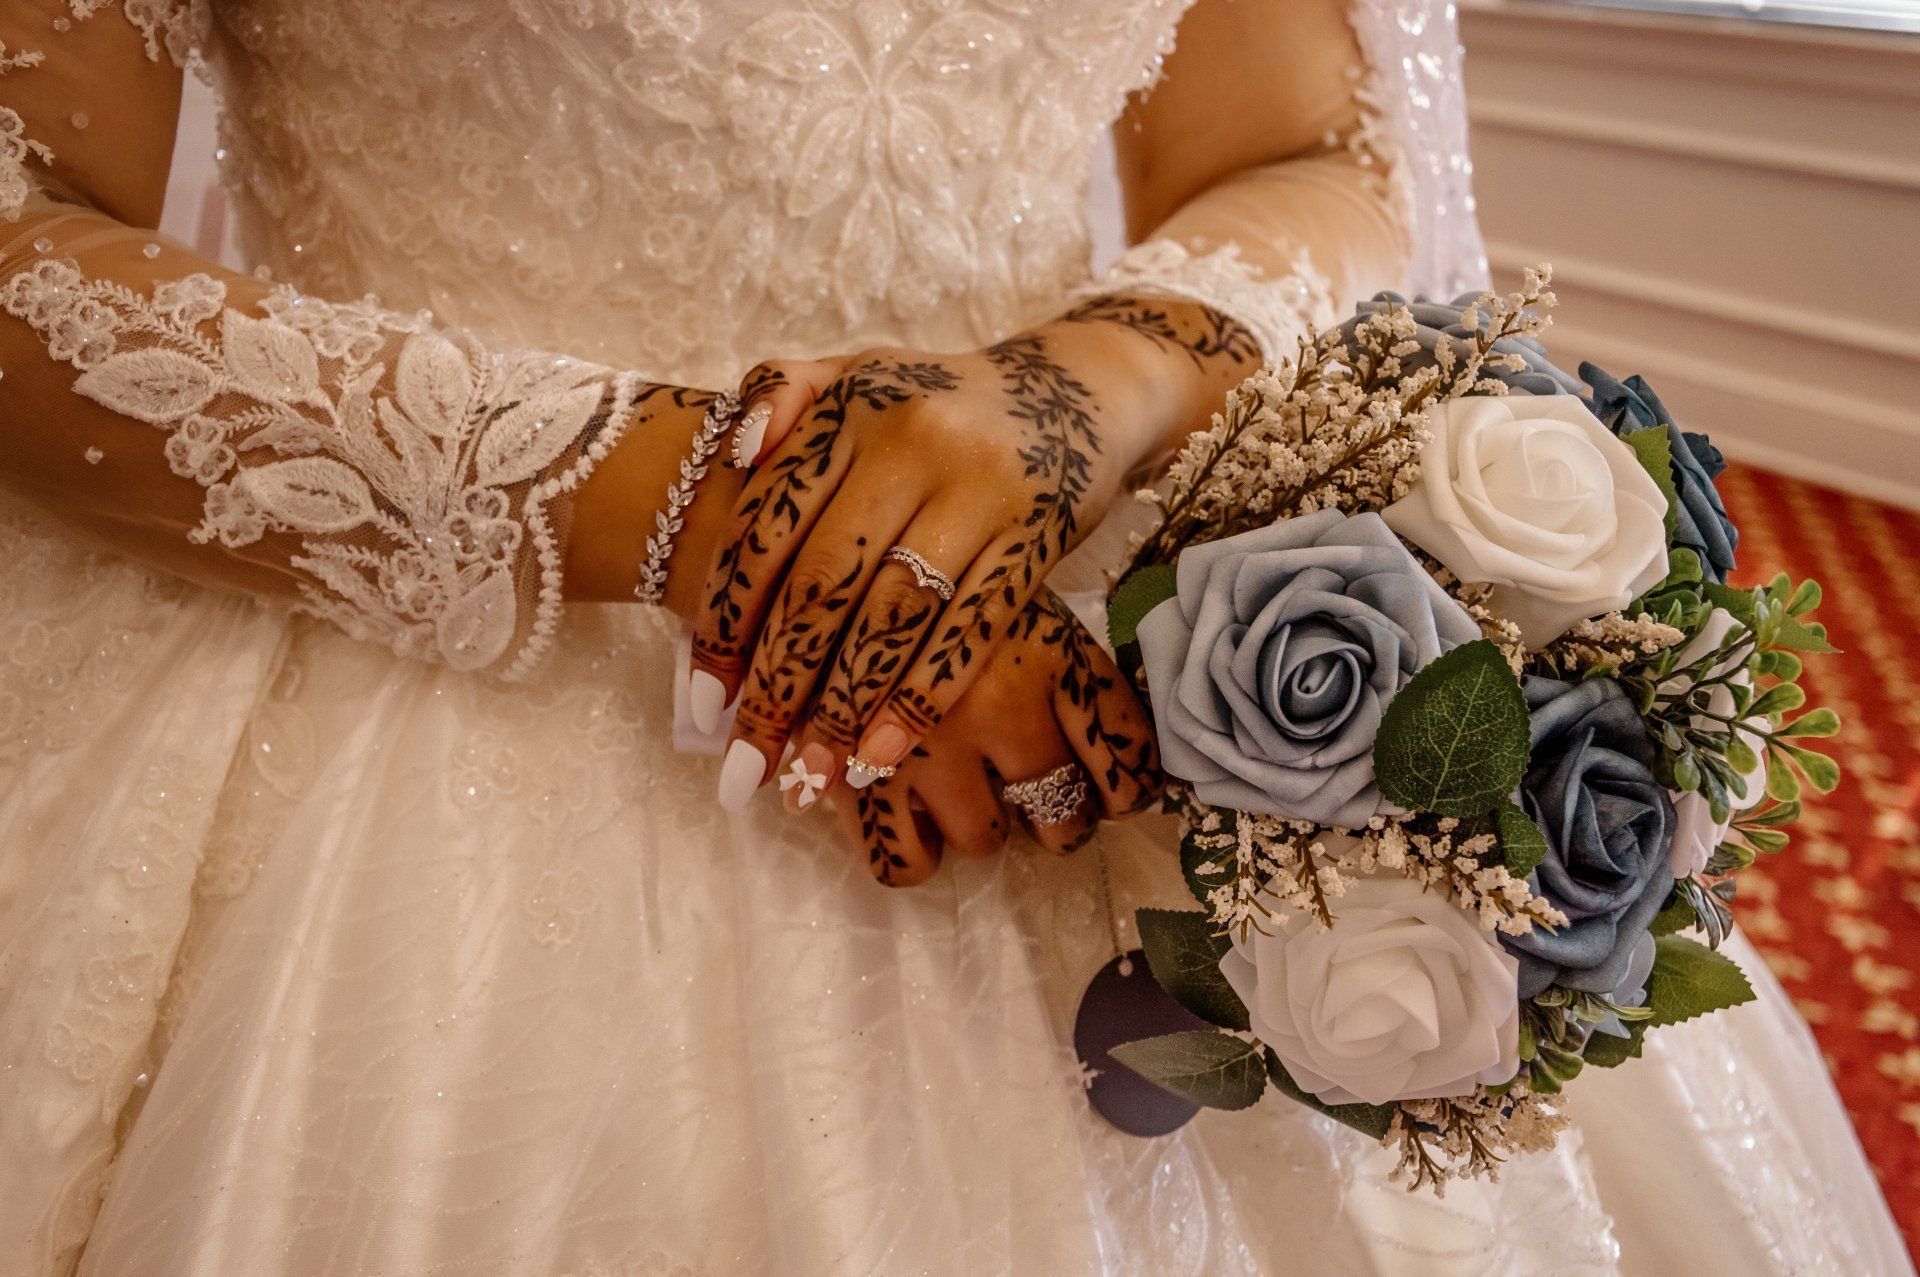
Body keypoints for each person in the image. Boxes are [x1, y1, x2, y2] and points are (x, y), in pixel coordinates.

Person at [0, 1, 1906, 1273]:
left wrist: (1074, 402)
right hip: (418, 649)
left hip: (1077, 604)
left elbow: (1328, 155)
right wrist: (706, 501)